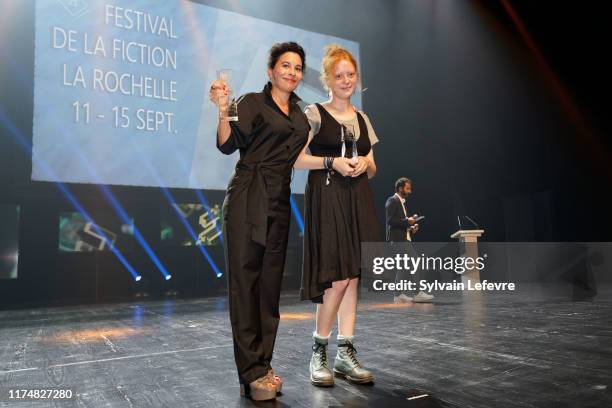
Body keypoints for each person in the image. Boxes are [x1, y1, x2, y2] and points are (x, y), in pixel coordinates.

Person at [209, 42, 309, 401]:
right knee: (245, 286)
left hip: (280, 202)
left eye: (298, 67)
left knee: (269, 290)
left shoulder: (301, 115)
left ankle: (263, 365)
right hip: (247, 197)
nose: (292, 72)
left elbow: (300, 157)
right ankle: (251, 373)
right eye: (285, 65)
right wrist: (222, 110)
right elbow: (226, 144)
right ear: (271, 71)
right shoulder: (251, 102)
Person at [295, 44, 379, 387]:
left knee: (353, 275)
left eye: (350, 74)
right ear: (327, 79)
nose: (346, 80)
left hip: (357, 197)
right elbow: (296, 159)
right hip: (327, 196)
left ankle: (345, 352)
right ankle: (319, 351)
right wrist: (333, 162)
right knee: (336, 277)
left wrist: (361, 165)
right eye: (339, 75)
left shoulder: (362, 118)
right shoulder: (314, 113)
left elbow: (373, 166)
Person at [385, 177, 434, 303]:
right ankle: (417, 293)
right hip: (398, 240)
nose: (409, 191)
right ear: (400, 188)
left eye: (410, 189)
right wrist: (407, 221)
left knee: (404, 267)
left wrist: (411, 227)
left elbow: (400, 223)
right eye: (407, 188)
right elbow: (390, 221)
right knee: (415, 262)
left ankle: (398, 295)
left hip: (402, 237)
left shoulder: (401, 202)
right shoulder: (392, 200)